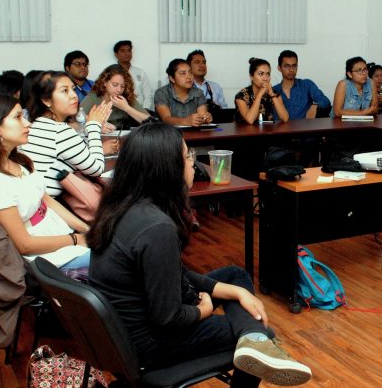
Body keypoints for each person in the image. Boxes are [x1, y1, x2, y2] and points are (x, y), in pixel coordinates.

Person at [87, 123, 312, 386]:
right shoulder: (156, 228)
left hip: (124, 334)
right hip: (150, 344)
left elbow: (174, 273)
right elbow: (169, 319)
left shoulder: (122, 207)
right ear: (166, 169)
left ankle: (255, 340)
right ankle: (257, 340)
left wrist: (236, 292)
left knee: (235, 276)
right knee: (261, 330)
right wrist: (203, 310)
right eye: (187, 156)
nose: (193, 163)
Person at [0, 95, 90, 269]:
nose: (27, 123)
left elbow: (45, 200)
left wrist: (85, 229)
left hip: (56, 237)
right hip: (40, 256)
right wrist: (76, 240)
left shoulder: (19, 160)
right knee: (121, 258)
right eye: (17, 117)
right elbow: (24, 244)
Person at [21, 71, 114, 198]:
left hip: (40, 199)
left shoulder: (39, 123)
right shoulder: (59, 131)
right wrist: (93, 127)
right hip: (48, 205)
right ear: (46, 100)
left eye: (73, 89)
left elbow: (80, 153)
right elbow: (96, 169)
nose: (74, 96)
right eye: (65, 91)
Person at [82, 64, 150, 130]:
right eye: (115, 85)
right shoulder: (93, 97)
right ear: (104, 82)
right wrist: (97, 125)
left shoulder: (126, 97)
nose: (119, 90)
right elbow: (76, 120)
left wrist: (126, 108)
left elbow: (150, 122)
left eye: (122, 86)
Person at [272, 50, 331, 120]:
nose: (291, 69)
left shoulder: (306, 85)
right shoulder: (273, 91)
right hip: (281, 130)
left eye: (294, 66)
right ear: (279, 68)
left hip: (305, 129)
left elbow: (326, 102)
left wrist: (315, 105)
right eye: (287, 66)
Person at [154, 59, 213, 127]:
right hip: (169, 135)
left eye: (190, 72)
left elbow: (202, 114)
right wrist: (185, 121)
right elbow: (166, 119)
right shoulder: (162, 93)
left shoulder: (198, 93)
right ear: (172, 78)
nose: (189, 77)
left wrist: (206, 118)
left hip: (194, 134)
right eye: (183, 73)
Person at [235, 58, 289, 124]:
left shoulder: (274, 93)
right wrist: (260, 94)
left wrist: (272, 94)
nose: (265, 78)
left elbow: (285, 118)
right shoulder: (241, 96)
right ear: (251, 76)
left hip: (267, 132)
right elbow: (250, 120)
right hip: (244, 133)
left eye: (268, 74)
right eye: (261, 74)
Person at [114, 40, 155, 112]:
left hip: (140, 111)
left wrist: (145, 110)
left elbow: (148, 94)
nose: (127, 53)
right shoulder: (111, 72)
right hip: (118, 112)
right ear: (116, 54)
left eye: (129, 51)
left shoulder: (140, 72)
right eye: (123, 51)